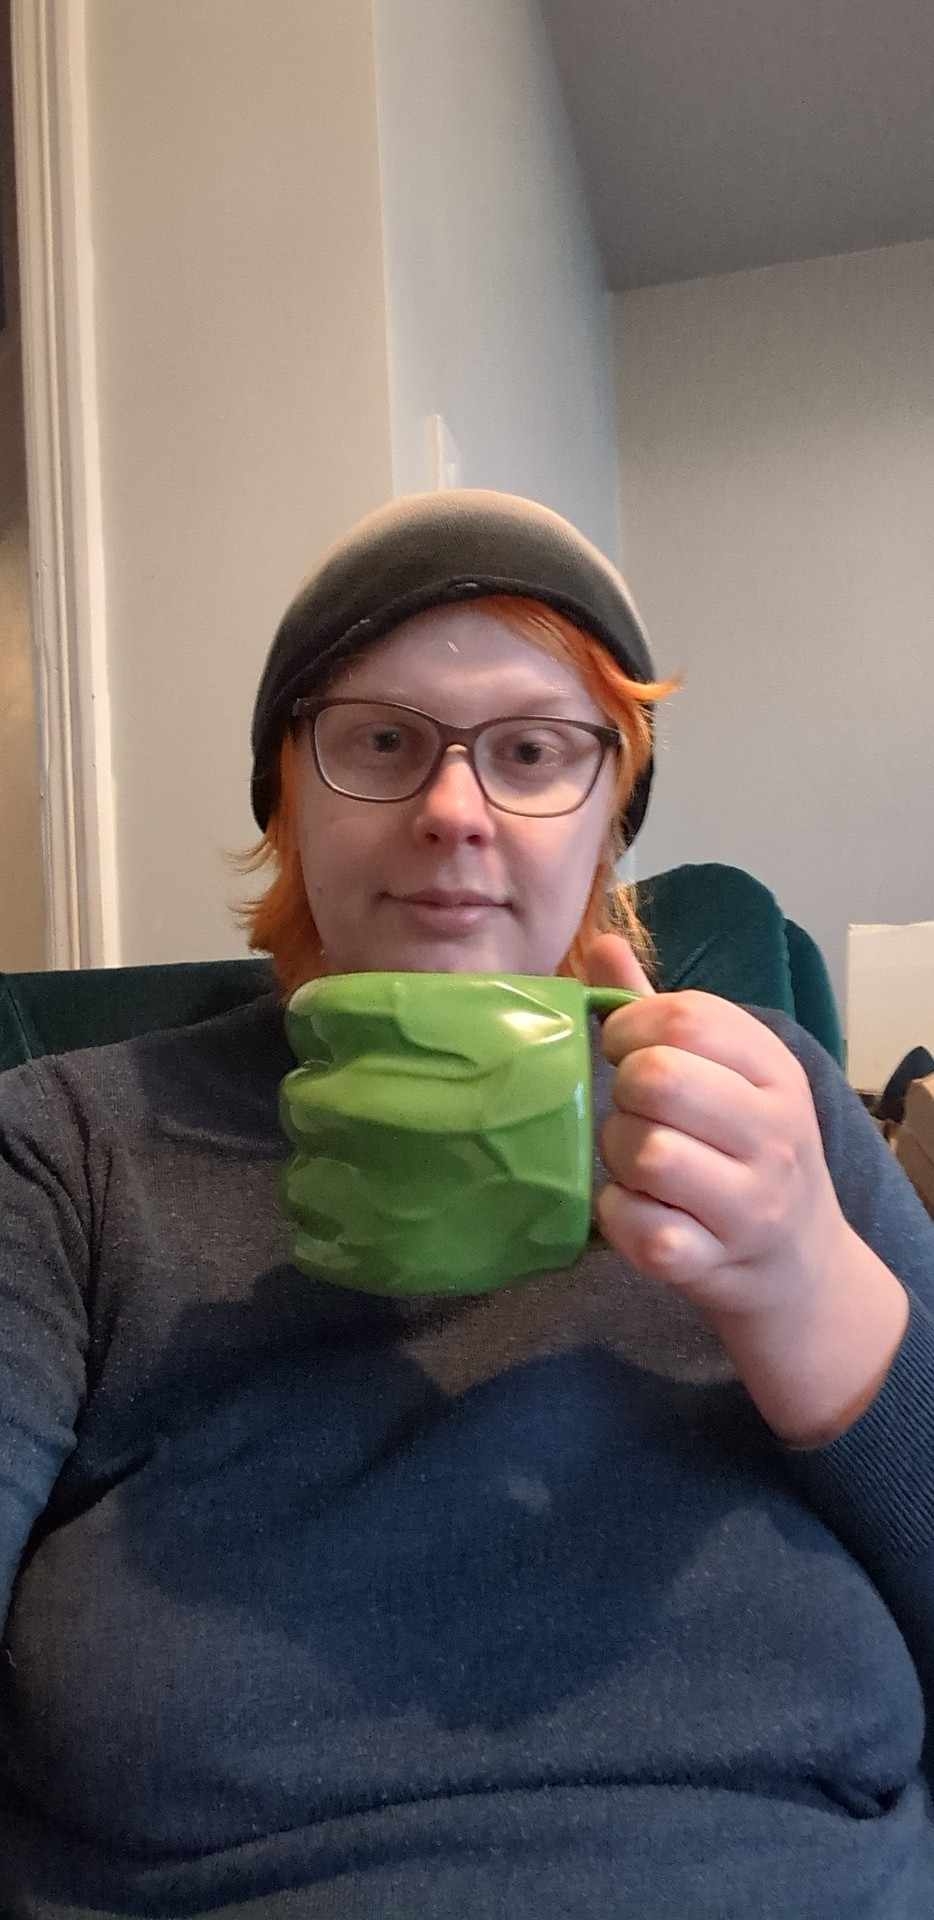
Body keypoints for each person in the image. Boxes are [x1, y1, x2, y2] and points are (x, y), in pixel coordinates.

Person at [1, 488, 932, 1919]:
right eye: (380, 742)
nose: (453, 810)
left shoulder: (769, 1100)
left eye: (533, 752)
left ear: (607, 814)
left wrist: (807, 1284)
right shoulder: (71, 1149)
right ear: (286, 792)